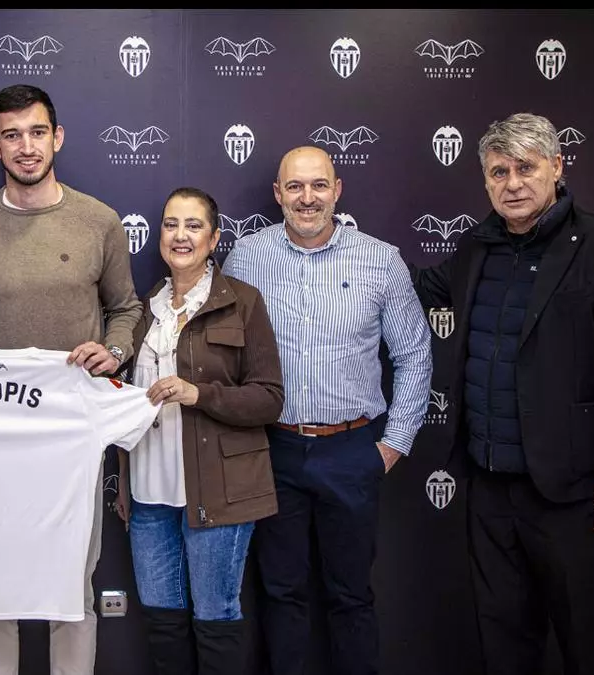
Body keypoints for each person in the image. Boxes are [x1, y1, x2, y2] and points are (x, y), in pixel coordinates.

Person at [411, 112, 594, 675]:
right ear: (485, 180)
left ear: (556, 166)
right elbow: (416, 284)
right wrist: (338, 248)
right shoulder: (476, 246)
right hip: (488, 485)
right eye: (499, 172)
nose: (513, 184)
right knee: (503, 643)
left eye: (525, 168)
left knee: (588, 643)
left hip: (571, 495)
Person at [0, 83, 143, 675]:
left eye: (37, 132)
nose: (26, 146)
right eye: (12, 135)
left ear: (57, 137)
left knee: (71, 580)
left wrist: (114, 351)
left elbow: (126, 309)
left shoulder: (99, 221)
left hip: (73, 431)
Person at [223, 146, 432, 675]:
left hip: (352, 449)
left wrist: (392, 445)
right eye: (295, 186)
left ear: (337, 190)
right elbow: (224, 352)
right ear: (278, 194)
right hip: (274, 449)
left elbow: (413, 354)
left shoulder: (381, 260)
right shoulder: (246, 257)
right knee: (281, 592)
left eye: (319, 185)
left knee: (351, 594)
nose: (307, 198)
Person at [113, 187, 283, 675]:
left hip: (217, 492)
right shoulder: (144, 309)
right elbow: (125, 402)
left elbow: (269, 398)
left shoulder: (243, 303)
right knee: (163, 624)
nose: (180, 235)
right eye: (170, 224)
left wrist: (199, 393)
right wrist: (124, 483)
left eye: (193, 225)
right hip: (149, 494)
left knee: (215, 619)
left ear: (213, 239)